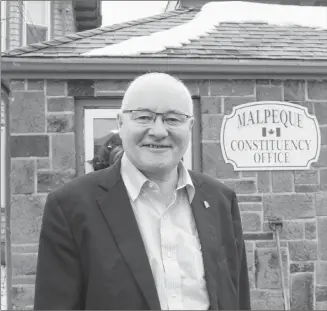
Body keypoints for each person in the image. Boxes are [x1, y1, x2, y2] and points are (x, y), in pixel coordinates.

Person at [34, 72, 251, 310]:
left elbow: (237, 297)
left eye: (173, 119)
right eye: (144, 117)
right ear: (120, 122)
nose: (158, 131)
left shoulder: (220, 199)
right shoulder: (70, 206)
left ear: (190, 126)